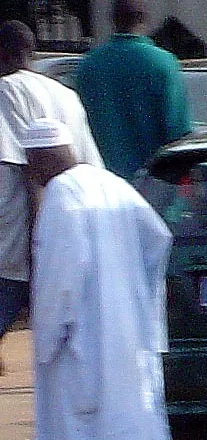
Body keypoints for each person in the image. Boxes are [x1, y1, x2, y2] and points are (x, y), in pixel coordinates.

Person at [24, 118, 173, 440]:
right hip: (130, 337)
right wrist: (143, 306)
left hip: (82, 343)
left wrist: (46, 341)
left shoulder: (61, 195)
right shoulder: (112, 184)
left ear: (37, 158)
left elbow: (57, 279)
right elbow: (159, 237)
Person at [0, 19, 103, 375]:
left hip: (22, 239)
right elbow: (88, 164)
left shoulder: (8, 90)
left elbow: (28, 172)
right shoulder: (65, 94)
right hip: (71, 228)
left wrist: (35, 247)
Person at [76, 0, 192, 179]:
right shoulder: (164, 63)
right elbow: (178, 132)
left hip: (101, 183)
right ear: (144, 18)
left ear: (112, 20)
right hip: (155, 184)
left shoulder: (88, 66)